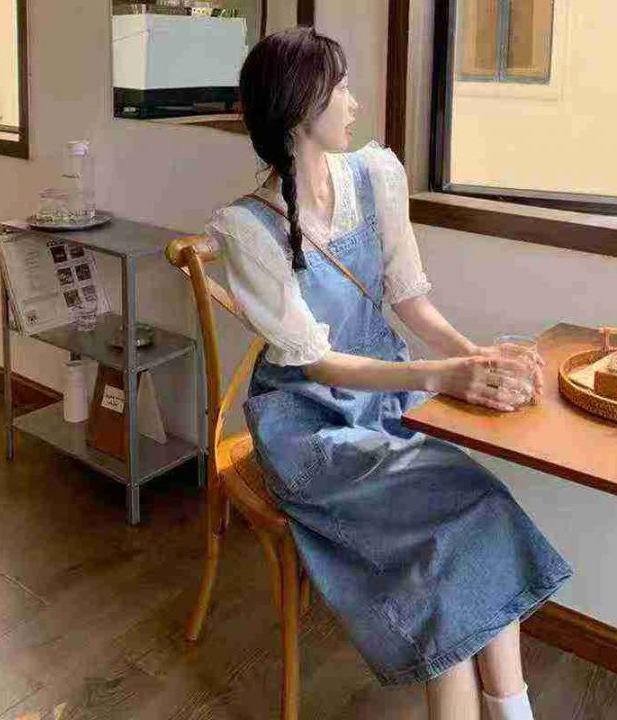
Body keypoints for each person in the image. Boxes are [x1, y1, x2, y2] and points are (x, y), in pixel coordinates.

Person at [206, 26, 573, 720]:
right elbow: (316, 362)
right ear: (300, 107)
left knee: (467, 530)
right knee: (471, 515)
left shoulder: (375, 176)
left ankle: (509, 708)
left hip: (386, 406)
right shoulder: (247, 229)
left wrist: (473, 358)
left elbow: (409, 300)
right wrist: (441, 377)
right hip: (311, 430)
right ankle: (514, 710)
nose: (354, 103)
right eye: (341, 88)